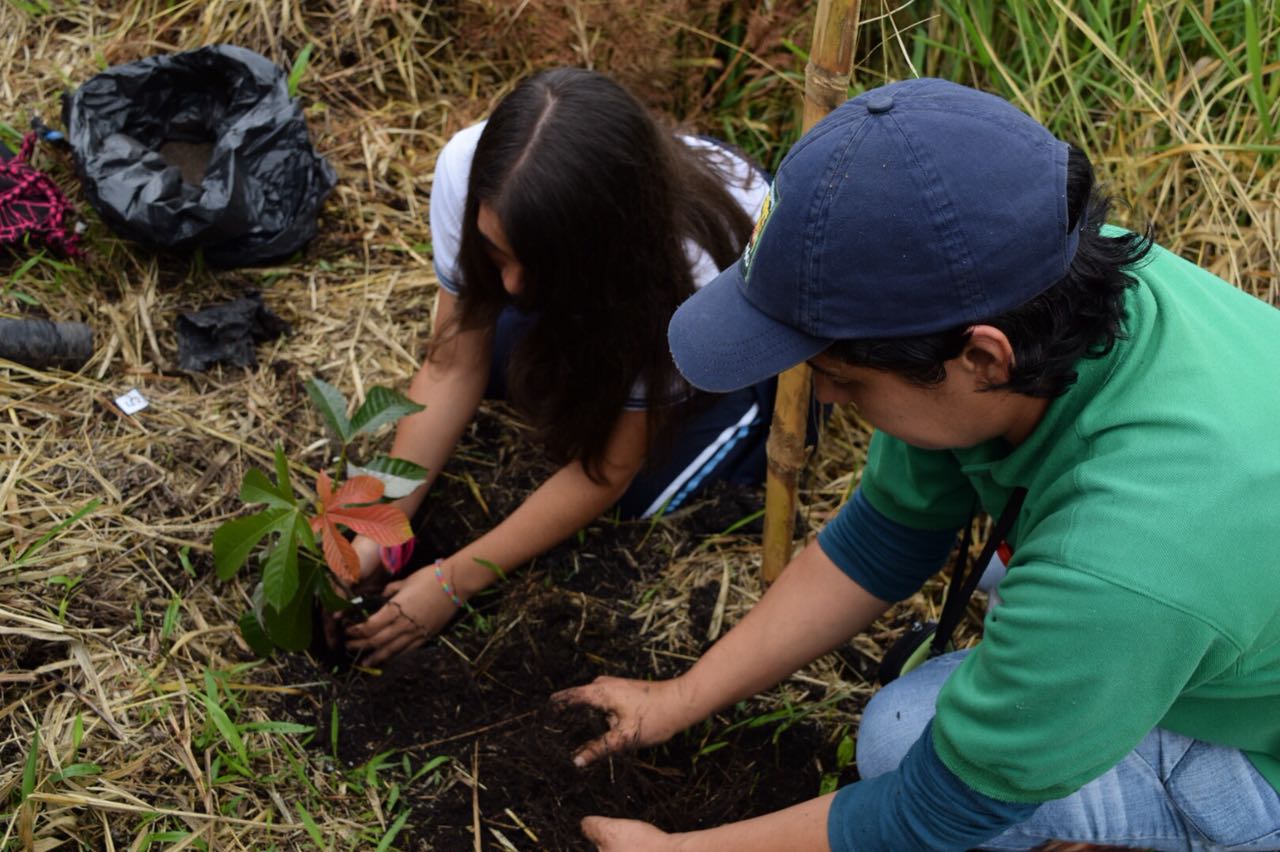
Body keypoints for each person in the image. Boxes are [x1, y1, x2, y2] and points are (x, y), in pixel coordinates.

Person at [556, 77, 1280, 851]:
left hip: (1259, 746)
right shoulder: (1019, 275)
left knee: (900, 738)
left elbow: (934, 813)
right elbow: (885, 539)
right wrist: (681, 697)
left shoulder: (1124, 558)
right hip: (1203, 593)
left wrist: (676, 851)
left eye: (842, 378)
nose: (827, 399)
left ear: (982, 359)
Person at [343, 68, 772, 664]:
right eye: (496, 253)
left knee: (640, 498)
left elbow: (608, 469)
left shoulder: (690, 273)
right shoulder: (468, 171)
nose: (512, 284)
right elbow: (450, 369)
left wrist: (453, 581)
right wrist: (378, 528)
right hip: (599, 270)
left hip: (728, 334)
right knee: (500, 363)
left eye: (534, 265)